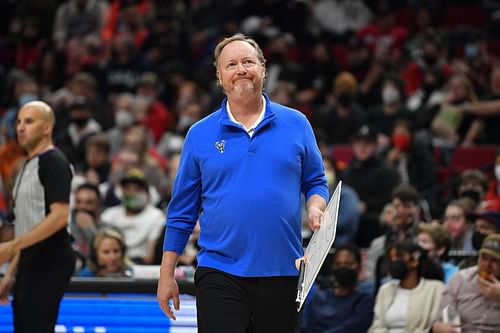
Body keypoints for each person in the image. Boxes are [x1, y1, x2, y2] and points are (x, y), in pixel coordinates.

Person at [157, 33, 328, 332]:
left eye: (248, 62)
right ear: (219, 77)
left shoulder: (297, 123)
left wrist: (316, 206)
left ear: (263, 68)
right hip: (219, 270)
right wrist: (166, 274)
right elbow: (181, 211)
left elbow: (315, 181)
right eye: (231, 64)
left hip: (282, 271)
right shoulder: (199, 134)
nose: (241, 70)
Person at [0, 101, 76, 332]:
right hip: (30, 259)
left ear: (47, 128)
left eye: (29, 121)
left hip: (51, 257)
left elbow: (60, 217)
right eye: (19, 122)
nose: (21, 127)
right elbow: (26, 224)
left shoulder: (54, 162)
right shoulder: (25, 166)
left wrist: (12, 246)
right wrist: (10, 274)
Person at [368, 240, 445, 333]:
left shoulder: (435, 288)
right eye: (391, 258)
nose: (394, 261)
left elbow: (434, 326)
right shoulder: (385, 289)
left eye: (399, 257)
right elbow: (377, 326)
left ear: (414, 261)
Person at [432, 233, 500, 333]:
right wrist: (439, 328)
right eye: (484, 258)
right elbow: (437, 323)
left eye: (495, 260)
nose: (487, 265)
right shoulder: (460, 279)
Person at [301, 243, 374, 333]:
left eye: (348, 264)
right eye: (338, 264)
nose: (343, 267)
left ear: (359, 267)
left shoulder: (364, 301)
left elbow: (355, 327)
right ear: (333, 267)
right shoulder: (319, 298)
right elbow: (305, 326)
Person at [100, 168, 165, 264]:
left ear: (147, 192)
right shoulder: (108, 215)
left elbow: (149, 257)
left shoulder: (156, 217)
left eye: (138, 189)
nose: (132, 193)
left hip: (141, 266)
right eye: (127, 189)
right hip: (111, 263)